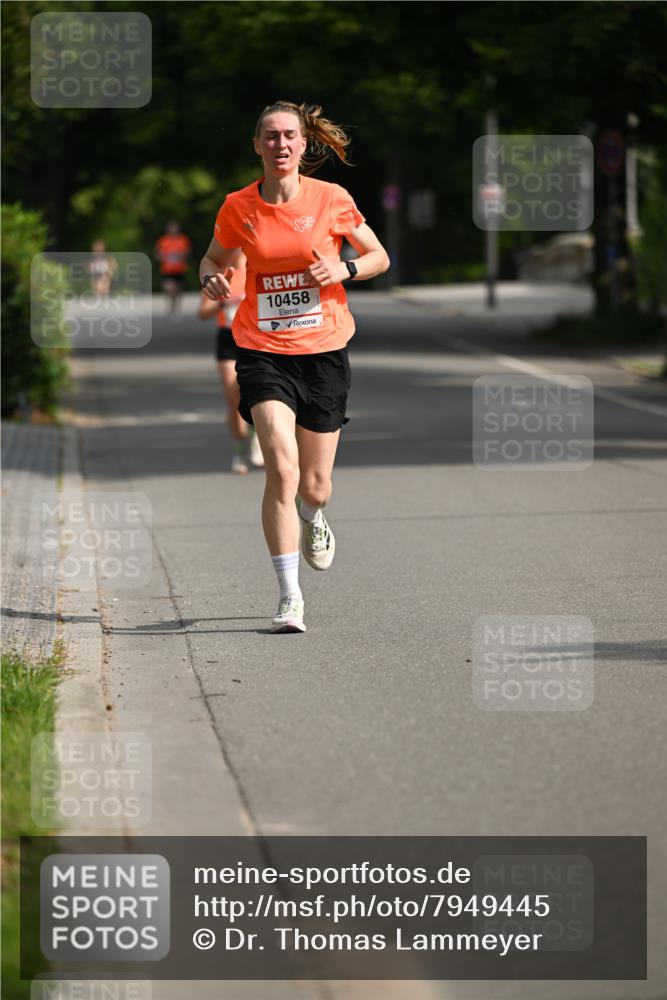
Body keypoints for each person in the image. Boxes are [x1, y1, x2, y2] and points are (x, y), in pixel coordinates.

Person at [200, 101, 389, 633]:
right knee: (280, 469)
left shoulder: (331, 199)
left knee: (315, 485)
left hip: (324, 350)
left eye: (289, 136)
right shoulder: (239, 206)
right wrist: (210, 277)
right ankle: (289, 597)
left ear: (305, 145)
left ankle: (313, 516)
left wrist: (344, 267)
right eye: (270, 136)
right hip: (261, 349)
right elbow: (212, 258)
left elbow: (379, 257)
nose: (280, 144)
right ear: (256, 145)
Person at [197, 248, 264, 474]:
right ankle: (238, 452)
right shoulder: (218, 271)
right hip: (228, 338)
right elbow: (203, 312)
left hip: (256, 339)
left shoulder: (259, 267)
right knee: (234, 397)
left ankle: (256, 439)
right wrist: (221, 299)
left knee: (257, 395)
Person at [154, 221, 192, 314]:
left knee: (178, 288)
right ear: (168, 229)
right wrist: (162, 257)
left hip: (180, 269)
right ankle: (171, 301)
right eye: (171, 228)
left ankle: (176, 302)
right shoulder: (163, 241)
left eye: (175, 228)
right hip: (167, 269)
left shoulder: (183, 240)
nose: (173, 230)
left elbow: (188, 252)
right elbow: (157, 253)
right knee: (168, 287)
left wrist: (182, 256)